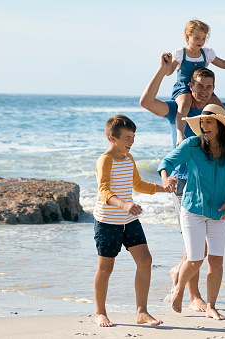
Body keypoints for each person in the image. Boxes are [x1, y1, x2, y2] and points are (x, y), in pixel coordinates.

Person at [140, 52, 225, 312]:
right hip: (183, 180)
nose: (204, 91)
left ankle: (182, 279)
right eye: (199, 86)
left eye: (209, 87)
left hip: (211, 181)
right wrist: (162, 70)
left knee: (199, 248)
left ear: (213, 89)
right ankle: (192, 295)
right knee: (197, 247)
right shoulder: (176, 109)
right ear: (190, 86)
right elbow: (146, 102)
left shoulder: (219, 112)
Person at [158, 104, 225, 320]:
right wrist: (165, 177)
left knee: (216, 261)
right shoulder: (192, 145)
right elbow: (166, 162)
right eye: (202, 122)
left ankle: (212, 306)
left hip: (219, 212)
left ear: (220, 125)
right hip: (193, 209)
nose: (204, 126)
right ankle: (178, 290)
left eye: (209, 122)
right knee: (195, 259)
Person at [92, 114, 176, 327]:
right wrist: (125, 205)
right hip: (107, 222)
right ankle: (100, 312)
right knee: (105, 268)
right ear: (113, 138)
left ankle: (142, 312)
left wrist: (163, 189)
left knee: (145, 260)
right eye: (127, 138)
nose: (132, 142)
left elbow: (137, 184)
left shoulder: (128, 158)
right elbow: (104, 191)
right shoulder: (105, 160)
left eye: (133, 137)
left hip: (129, 221)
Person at [164, 19, 225, 148]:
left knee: (221, 110)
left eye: (203, 38)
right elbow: (168, 73)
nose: (200, 42)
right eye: (197, 38)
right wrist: (167, 63)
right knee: (184, 105)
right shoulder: (180, 53)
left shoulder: (206, 53)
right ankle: (180, 135)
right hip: (184, 87)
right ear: (186, 37)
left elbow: (224, 64)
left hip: (203, 88)